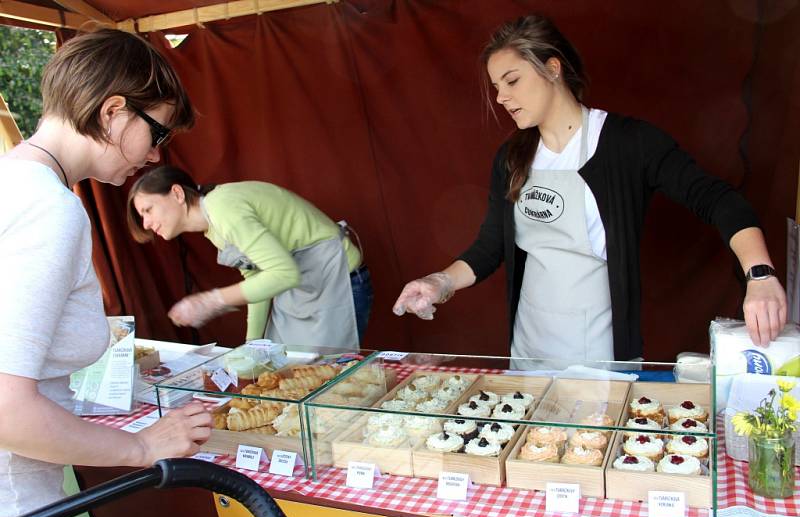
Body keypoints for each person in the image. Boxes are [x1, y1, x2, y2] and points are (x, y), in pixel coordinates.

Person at [393, 15, 787, 370]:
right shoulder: (511, 157)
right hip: (529, 347)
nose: (501, 98)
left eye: (512, 81)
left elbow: (718, 199)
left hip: (600, 353)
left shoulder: (628, 143)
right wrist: (439, 283)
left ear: (552, 69)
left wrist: (760, 274)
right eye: (496, 87)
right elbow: (490, 245)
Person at [0, 29, 213, 517]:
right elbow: (6, 409)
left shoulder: (13, 181)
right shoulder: (49, 209)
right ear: (112, 112)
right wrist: (141, 446)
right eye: (157, 132)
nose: (157, 155)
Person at [126, 165, 373, 348]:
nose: (146, 223)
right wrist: (253, 344)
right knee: (285, 368)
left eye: (148, 210)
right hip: (305, 289)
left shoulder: (223, 207)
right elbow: (257, 278)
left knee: (324, 385)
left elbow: (283, 274)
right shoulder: (213, 225)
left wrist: (211, 300)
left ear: (177, 194)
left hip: (339, 281)